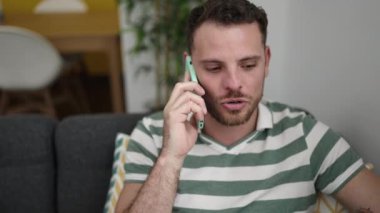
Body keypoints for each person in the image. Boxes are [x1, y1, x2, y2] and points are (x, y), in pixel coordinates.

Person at [116, 0, 380, 212]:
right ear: (190, 67)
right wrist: (171, 157)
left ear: (266, 61)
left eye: (248, 65)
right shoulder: (152, 136)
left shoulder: (306, 135)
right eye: (214, 67)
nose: (234, 83)